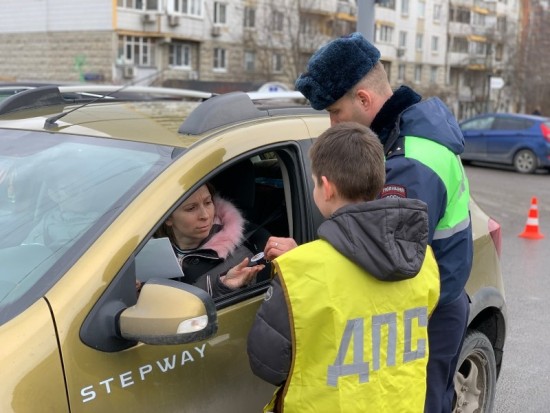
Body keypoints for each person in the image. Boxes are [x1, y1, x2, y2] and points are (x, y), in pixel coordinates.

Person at [285, 32, 472, 413]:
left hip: (427, 315)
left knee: (419, 403)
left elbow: (387, 256)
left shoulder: (409, 163)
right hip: (429, 303)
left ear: (365, 100)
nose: (332, 124)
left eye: (335, 112)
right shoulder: (402, 138)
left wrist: (300, 261)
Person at [248, 122, 440, 412]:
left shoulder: (299, 270)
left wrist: (304, 260)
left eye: (314, 183)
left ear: (326, 187)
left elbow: (268, 364)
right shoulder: (424, 258)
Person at [152, 182, 265, 298]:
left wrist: (223, 287)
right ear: (167, 218)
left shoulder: (240, 258)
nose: (205, 215)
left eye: (208, 203)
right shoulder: (145, 252)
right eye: (191, 208)